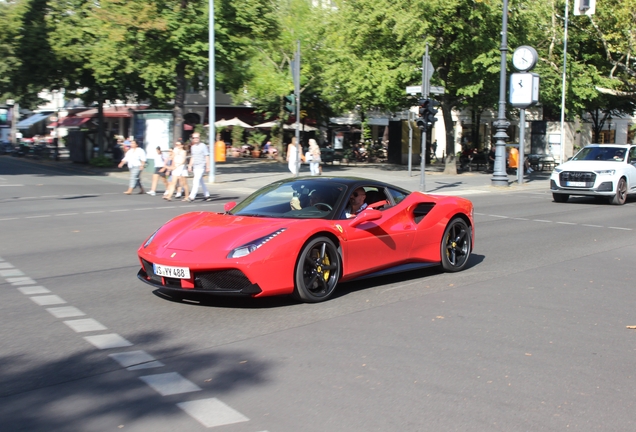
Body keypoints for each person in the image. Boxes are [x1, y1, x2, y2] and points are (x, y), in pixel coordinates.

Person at [185, 133, 211, 202]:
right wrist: (190, 165)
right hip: (195, 166)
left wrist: (208, 166)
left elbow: (207, 156)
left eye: (197, 138)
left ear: (199, 138)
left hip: (201, 166)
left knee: (195, 180)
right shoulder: (193, 147)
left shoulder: (203, 146)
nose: (195, 139)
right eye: (194, 138)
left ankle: (191, 196)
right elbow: (192, 157)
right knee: (201, 181)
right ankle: (207, 195)